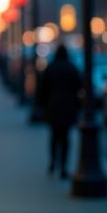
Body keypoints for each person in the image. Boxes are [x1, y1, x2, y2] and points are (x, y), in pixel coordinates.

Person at [38, 45, 81, 179]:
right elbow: (79, 87)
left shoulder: (50, 68)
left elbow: (42, 89)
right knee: (65, 139)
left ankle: (52, 163)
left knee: (54, 137)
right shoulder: (72, 68)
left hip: (53, 107)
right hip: (68, 107)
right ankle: (63, 167)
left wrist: (43, 105)